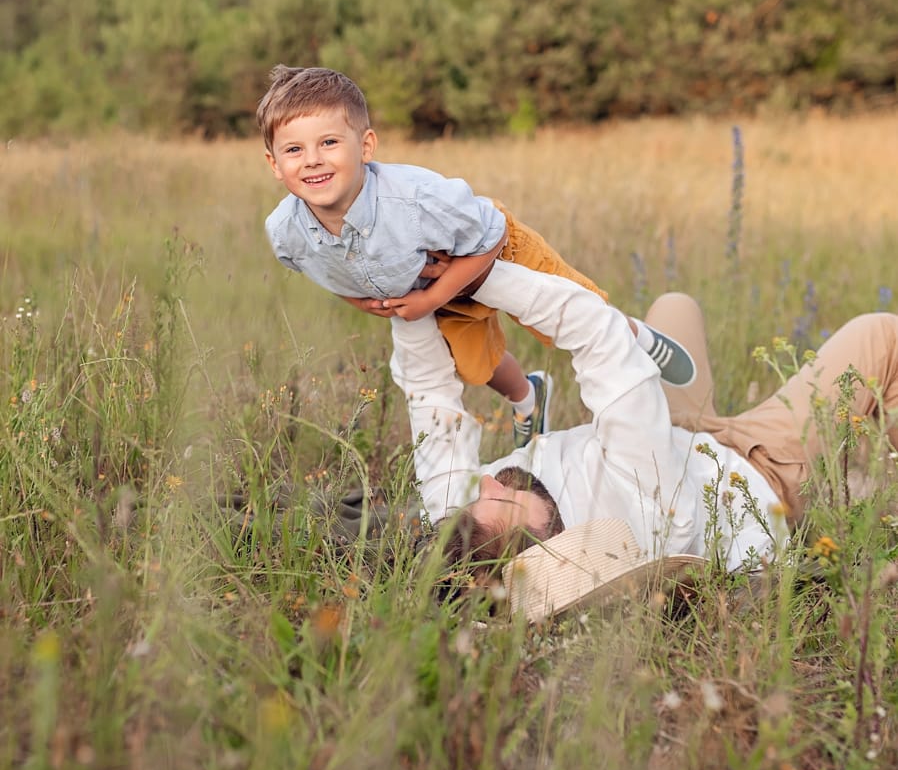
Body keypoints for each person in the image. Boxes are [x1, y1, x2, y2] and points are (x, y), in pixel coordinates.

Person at [258, 65, 695, 447]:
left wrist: (428, 302)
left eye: (329, 142)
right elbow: (325, 267)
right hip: (434, 287)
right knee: (474, 364)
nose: (312, 161)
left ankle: (638, 336)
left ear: (366, 147)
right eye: (294, 150)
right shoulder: (287, 231)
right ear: (275, 163)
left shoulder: (414, 200)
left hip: (497, 251)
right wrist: (363, 301)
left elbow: (491, 233)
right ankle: (529, 398)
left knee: (575, 307)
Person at [388, 259, 898, 573]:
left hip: (677, 438)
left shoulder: (464, 517)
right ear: (561, 539)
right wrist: (482, 274)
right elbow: (596, 337)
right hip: (759, 472)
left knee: (674, 305)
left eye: (480, 498)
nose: (491, 483)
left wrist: (406, 295)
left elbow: (430, 398)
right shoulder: (639, 518)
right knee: (882, 337)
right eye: (513, 498)